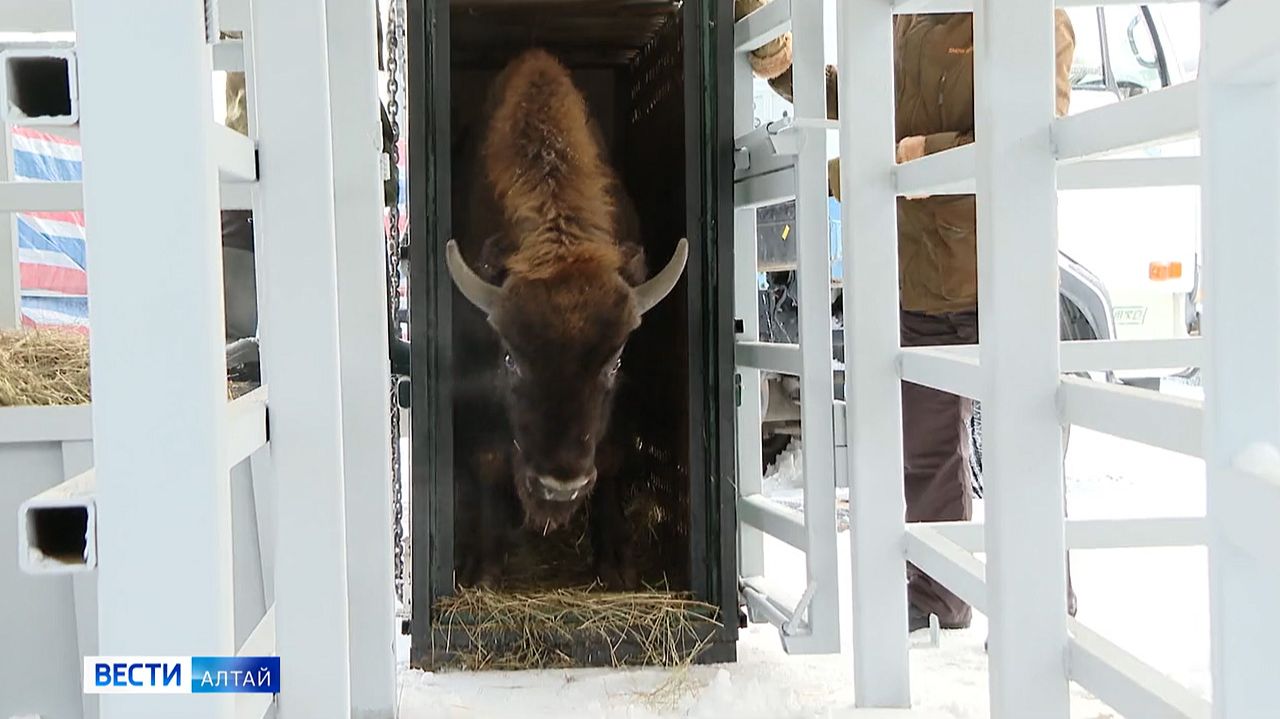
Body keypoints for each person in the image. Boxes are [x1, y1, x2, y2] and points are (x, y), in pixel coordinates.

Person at [735, 2, 1078, 632]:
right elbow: (862, 97)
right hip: (919, 279)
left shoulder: (1032, 19)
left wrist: (908, 160)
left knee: (1021, 452)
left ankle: (1043, 607)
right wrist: (781, 63)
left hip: (1003, 276)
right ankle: (937, 598)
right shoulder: (905, 21)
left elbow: (1035, 132)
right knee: (925, 456)